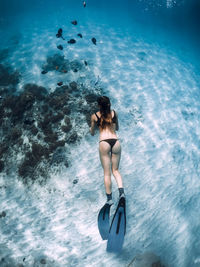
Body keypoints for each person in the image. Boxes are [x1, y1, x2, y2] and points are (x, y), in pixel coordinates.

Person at [90, 96, 125, 204]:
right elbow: (117, 128)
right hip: (116, 142)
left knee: (107, 173)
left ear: (98, 105)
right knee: (115, 170)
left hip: (104, 142)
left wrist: (93, 127)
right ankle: (122, 193)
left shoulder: (95, 116)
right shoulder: (114, 113)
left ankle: (109, 200)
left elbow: (92, 133)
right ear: (109, 104)